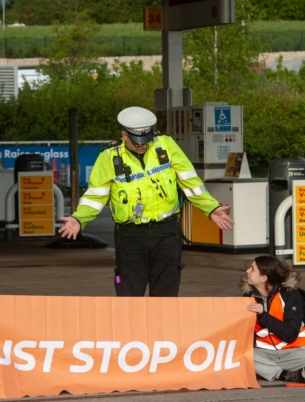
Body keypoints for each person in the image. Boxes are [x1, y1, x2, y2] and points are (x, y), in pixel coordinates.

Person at [57, 106, 234, 296]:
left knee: (166, 292)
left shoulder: (165, 145)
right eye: (137, 141)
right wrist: (79, 218)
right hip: (130, 235)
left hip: (166, 232)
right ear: (124, 135)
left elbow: (190, 182)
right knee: (129, 292)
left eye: (146, 140)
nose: (143, 145)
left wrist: (210, 207)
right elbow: (95, 195)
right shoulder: (109, 157)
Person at [241, 256, 305, 383]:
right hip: (263, 353)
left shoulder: (290, 294)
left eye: (252, 269)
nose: (247, 271)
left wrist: (263, 315)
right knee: (241, 354)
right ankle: (284, 374)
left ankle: (265, 371)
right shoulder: (247, 298)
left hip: (293, 352)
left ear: (264, 278)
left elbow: (290, 334)